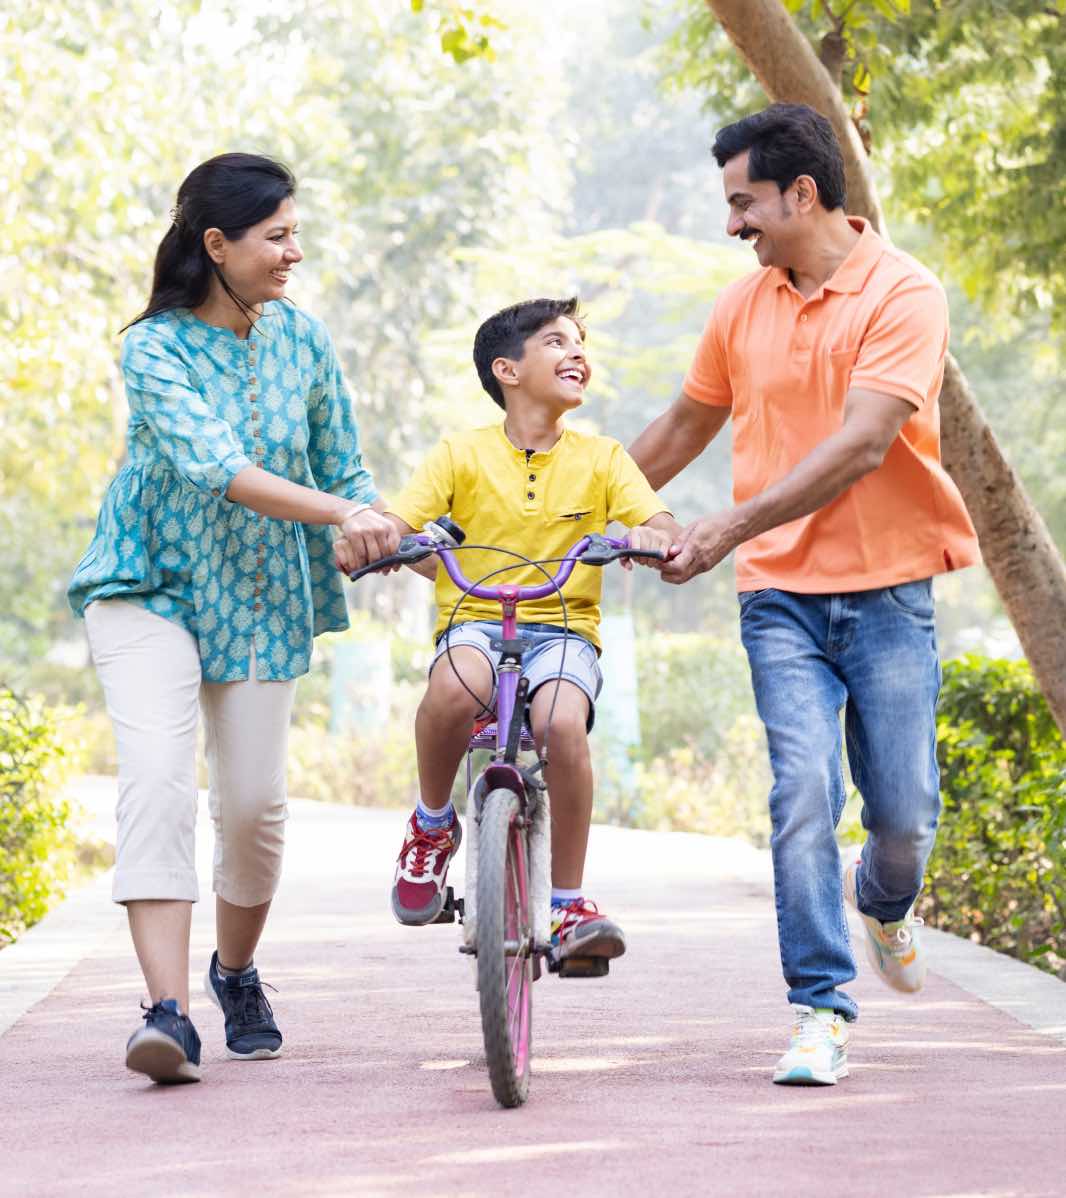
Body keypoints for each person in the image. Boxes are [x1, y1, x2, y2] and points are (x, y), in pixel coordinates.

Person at [628, 104, 979, 1085]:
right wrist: (574, 503)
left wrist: (721, 527)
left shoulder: (902, 293)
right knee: (800, 792)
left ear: (802, 193)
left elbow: (862, 445)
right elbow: (677, 431)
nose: (732, 223)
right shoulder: (741, 308)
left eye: (743, 202)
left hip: (888, 591)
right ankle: (819, 1006)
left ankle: (885, 898)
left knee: (904, 816)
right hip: (777, 593)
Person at [68, 153, 400, 1085]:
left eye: (296, 231)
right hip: (149, 585)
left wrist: (364, 521)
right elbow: (215, 463)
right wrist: (339, 514)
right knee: (159, 781)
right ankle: (167, 1014)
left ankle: (236, 971)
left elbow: (346, 467)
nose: (295, 250)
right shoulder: (154, 348)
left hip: (259, 594)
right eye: (276, 235)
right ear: (216, 245)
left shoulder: (306, 340)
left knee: (253, 807)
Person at [336, 297, 679, 965]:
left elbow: (661, 525)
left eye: (581, 344)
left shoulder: (604, 458)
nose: (577, 354)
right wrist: (375, 542)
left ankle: (569, 901)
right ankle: (434, 824)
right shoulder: (459, 454)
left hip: (562, 630)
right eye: (556, 342)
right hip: (474, 619)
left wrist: (644, 537)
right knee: (450, 693)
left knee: (558, 724)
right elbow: (402, 521)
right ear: (508, 370)